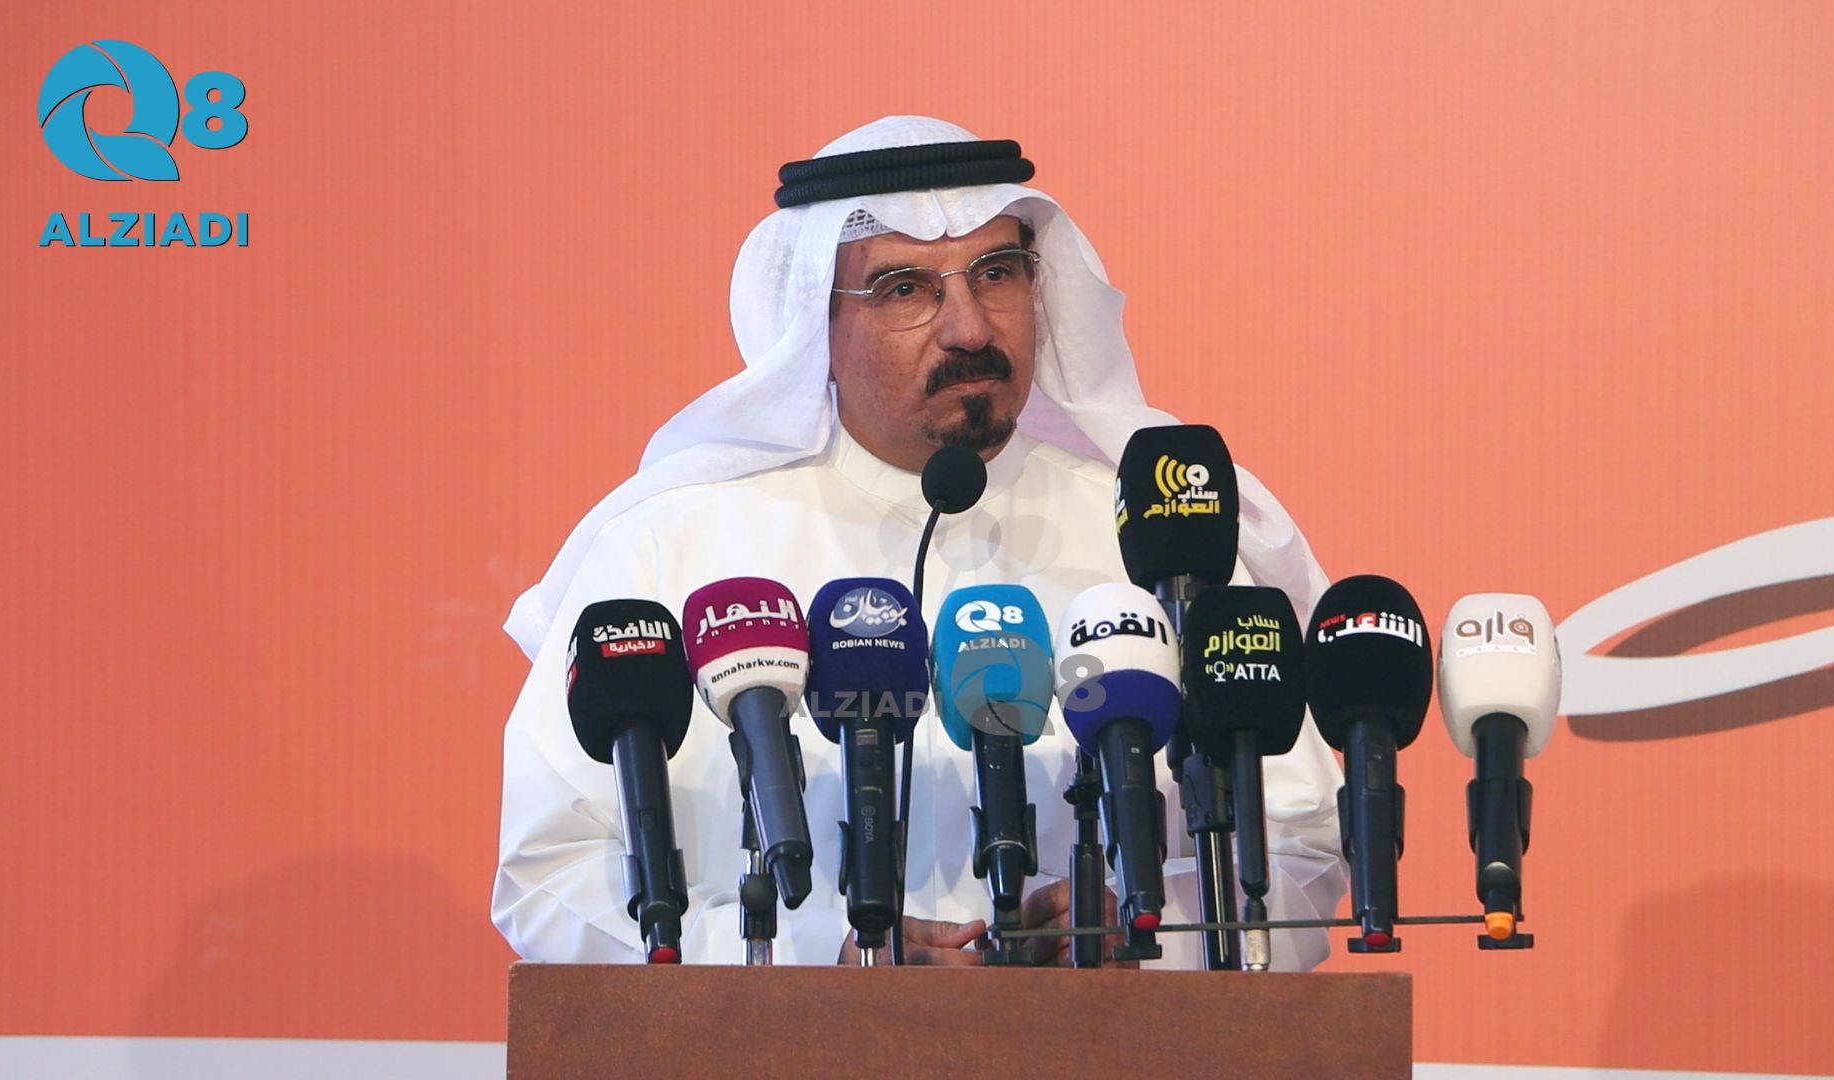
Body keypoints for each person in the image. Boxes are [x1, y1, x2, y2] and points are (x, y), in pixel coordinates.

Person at [492, 116, 1346, 969]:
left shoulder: (1159, 541)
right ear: (815, 323)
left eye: (997, 273)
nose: (970, 328)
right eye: (905, 289)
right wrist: (818, 960)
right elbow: (548, 873)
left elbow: (1302, 842)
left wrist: (1148, 932)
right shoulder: (674, 547)